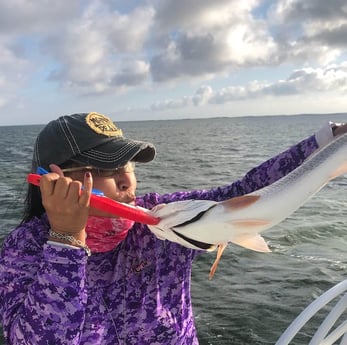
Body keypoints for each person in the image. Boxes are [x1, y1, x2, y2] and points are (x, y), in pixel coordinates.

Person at [0, 112, 345, 345]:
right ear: (55, 179)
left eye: (128, 164)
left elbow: (244, 194)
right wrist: (66, 241)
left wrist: (329, 143)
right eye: (107, 169)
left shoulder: (165, 219)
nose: (125, 180)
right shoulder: (23, 250)